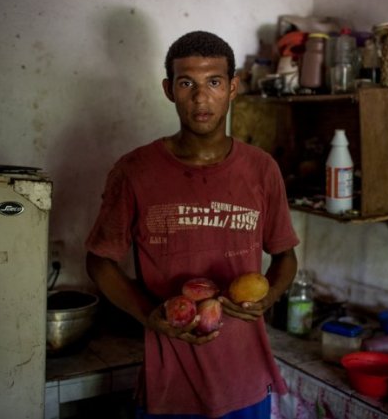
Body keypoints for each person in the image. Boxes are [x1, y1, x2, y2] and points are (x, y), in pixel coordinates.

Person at [85, 30, 300, 419]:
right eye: (187, 83)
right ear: (169, 89)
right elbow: (99, 261)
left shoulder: (260, 169)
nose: (201, 97)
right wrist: (147, 313)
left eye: (214, 82)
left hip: (244, 378)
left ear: (233, 88)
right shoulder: (134, 171)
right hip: (170, 382)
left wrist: (269, 297)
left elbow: (286, 258)